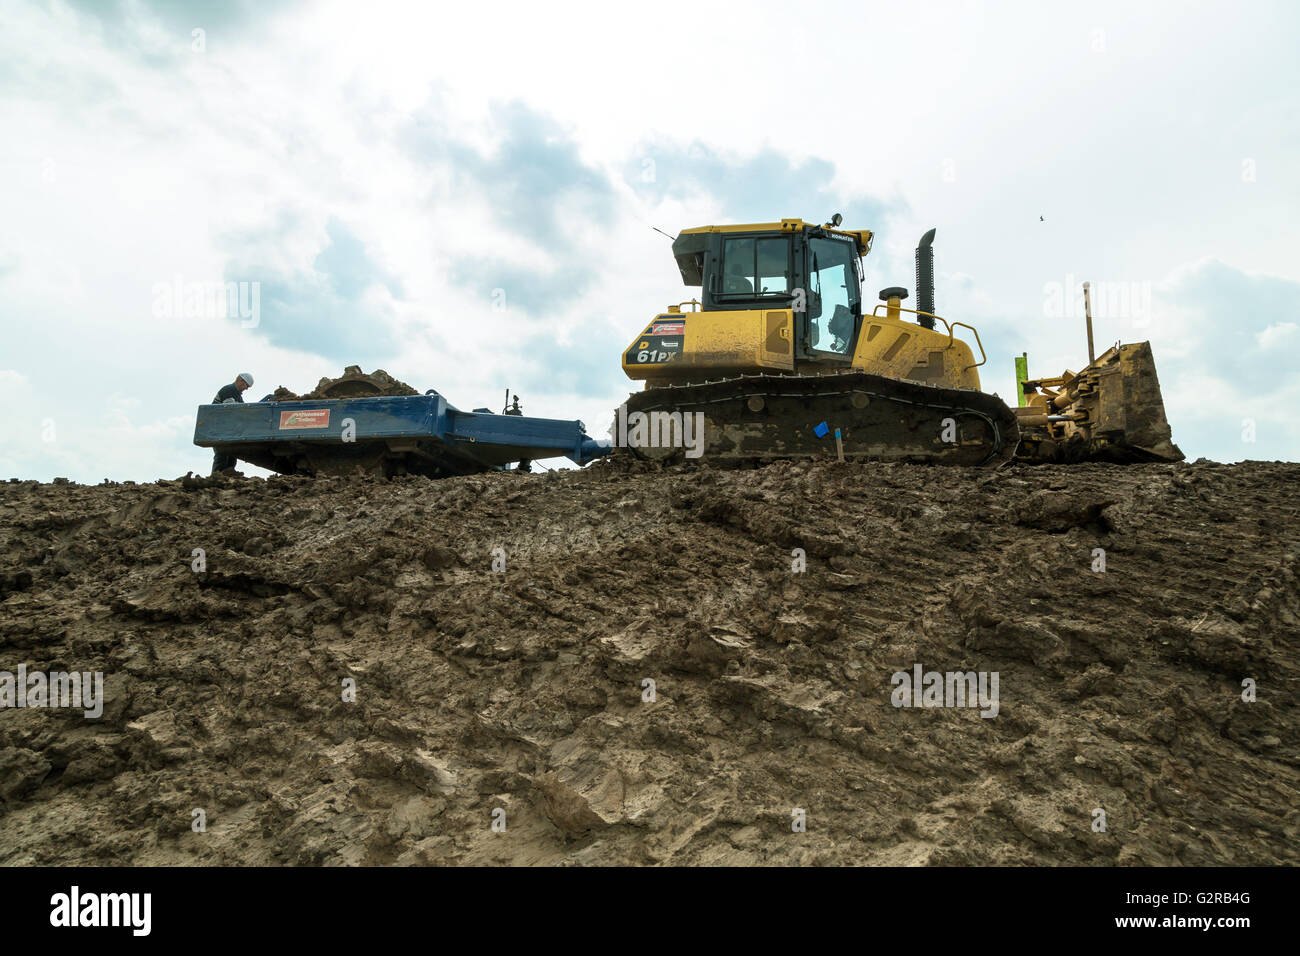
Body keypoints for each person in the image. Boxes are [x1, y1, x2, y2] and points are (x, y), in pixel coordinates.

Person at [210, 373, 254, 475]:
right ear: (241, 381)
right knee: (222, 454)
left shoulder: (237, 395)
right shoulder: (229, 390)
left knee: (231, 456)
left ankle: (226, 478)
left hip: (227, 430)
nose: (246, 389)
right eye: (246, 386)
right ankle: (216, 478)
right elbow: (231, 408)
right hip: (219, 429)